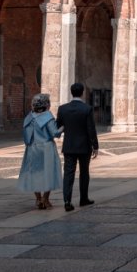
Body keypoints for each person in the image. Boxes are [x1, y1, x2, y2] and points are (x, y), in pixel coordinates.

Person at [56, 82, 99, 212]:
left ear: (71, 92)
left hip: (69, 145)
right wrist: (95, 146)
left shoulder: (62, 109)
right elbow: (91, 129)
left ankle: (67, 201)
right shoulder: (87, 109)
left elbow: (58, 126)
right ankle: (83, 198)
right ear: (82, 92)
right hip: (84, 146)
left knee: (68, 173)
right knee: (84, 172)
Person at [17, 93, 63, 209]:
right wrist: (64, 126)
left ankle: (38, 199)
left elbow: (26, 136)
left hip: (32, 148)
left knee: (34, 173)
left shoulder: (29, 118)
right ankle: (45, 199)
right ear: (46, 105)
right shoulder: (47, 116)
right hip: (46, 147)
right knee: (49, 172)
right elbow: (55, 133)